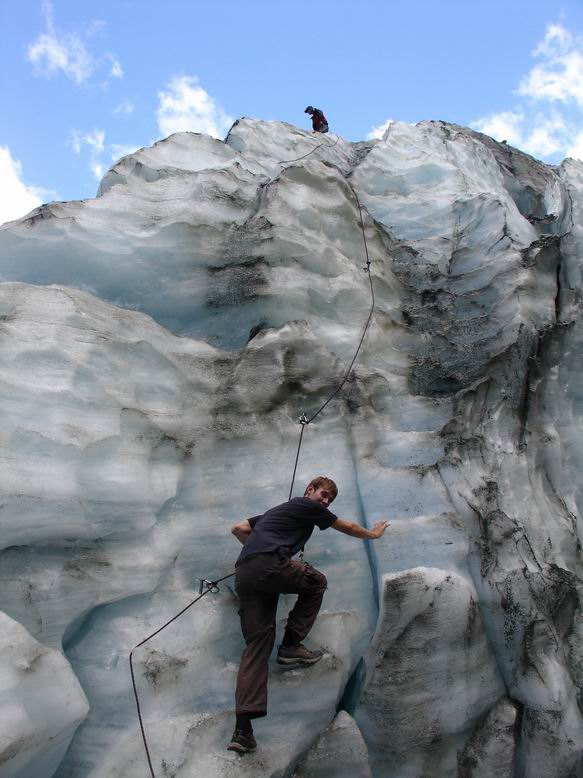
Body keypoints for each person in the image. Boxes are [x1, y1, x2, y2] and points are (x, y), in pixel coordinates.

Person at [227, 476, 389, 754]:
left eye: (329, 499)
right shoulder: (306, 506)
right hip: (268, 566)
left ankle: (243, 731)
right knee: (316, 582)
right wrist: (373, 534)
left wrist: (258, 547)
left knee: (256, 646)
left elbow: (238, 528)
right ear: (309, 490)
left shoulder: (272, 514)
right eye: (323, 495)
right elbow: (346, 526)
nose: (325, 502)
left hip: (245, 574)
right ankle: (290, 646)